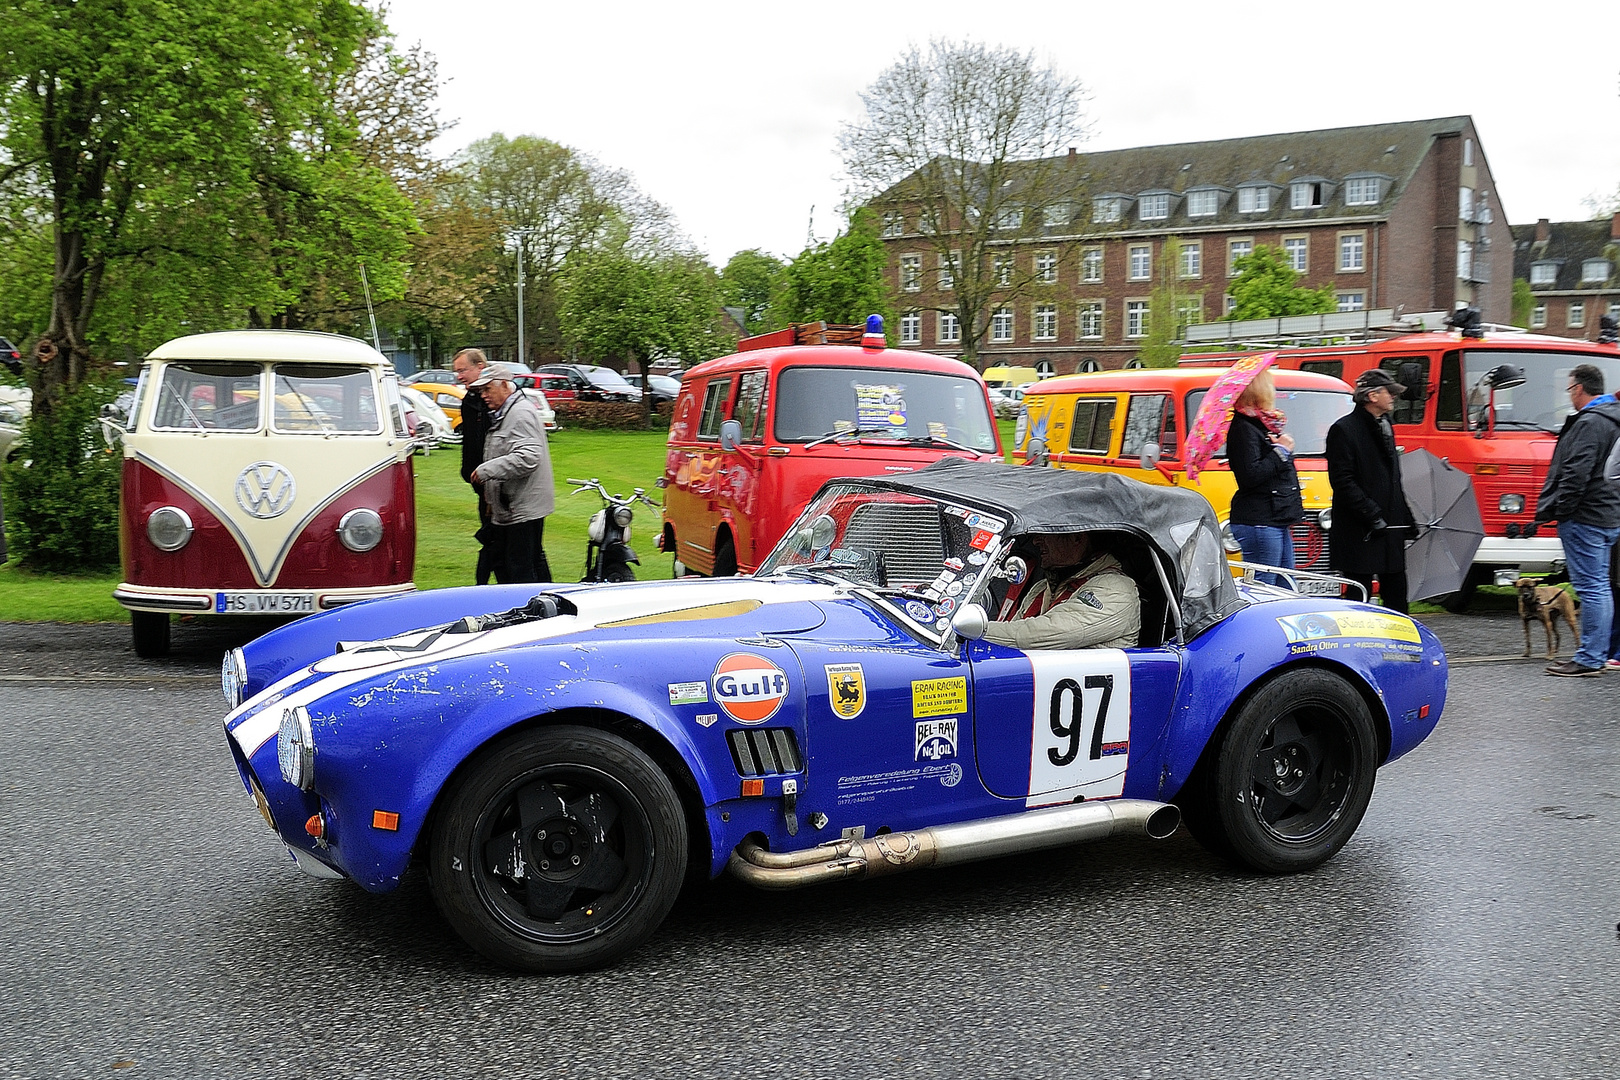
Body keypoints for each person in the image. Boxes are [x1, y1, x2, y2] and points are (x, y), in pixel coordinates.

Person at [1532, 363, 1620, 676]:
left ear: (1579, 389)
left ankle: (1590, 658)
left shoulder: (1591, 422)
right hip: (1609, 514)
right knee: (1602, 588)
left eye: (1570, 389)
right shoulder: (1614, 418)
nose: (1569, 395)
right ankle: (1600, 653)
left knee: (1592, 589)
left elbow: (1576, 472)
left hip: (1585, 517)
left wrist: (1562, 509)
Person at [1326, 369, 1412, 614]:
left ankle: (1400, 642)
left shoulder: (1386, 426)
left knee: (1396, 592)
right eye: (1390, 392)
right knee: (1358, 595)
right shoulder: (1344, 429)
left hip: (1390, 527)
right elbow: (1343, 481)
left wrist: (1406, 517)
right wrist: (1371, 515)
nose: (1394, 397)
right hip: (1360, 529)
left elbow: (1393, 479)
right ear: (1372, 396)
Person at [469, 363, 554, 584]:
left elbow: (529, 457)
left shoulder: (519, 414)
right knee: (519, 566)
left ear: (505, 386)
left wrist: (486, 471)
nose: (484, 396)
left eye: (488, 390)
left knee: (521, 572)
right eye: (482, 391)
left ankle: (529, 614)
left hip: (522, 509)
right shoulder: (507, 413)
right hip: (512, 508)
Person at [983, 532, 1139, 650]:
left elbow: (1037, 636)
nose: (1036, 541)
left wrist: (976, 631)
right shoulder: (1041, 588)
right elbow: (1010, 632)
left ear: (1077, 538)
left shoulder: (1117, 588)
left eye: (1045, 533)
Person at [1226, 368, 1304, 587]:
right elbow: (1250, 475)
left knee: (1286, 585)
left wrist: (1279, 447)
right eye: (1269, 383)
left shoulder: (1261, 425)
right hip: (1259, 518)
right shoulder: (1243, 428)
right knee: (1264, 586)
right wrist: (1281, 452)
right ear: (1259, 390)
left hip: (1275, 516)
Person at [453, 348, 502, 584]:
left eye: (463, 370)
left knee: (495, 540)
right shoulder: (470, 401)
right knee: (493, 538)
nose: (459, 377)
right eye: (457, 372)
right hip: (481, 481)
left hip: (497, 481)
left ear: (480, 367)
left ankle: (484, 585)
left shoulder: (492, 404)